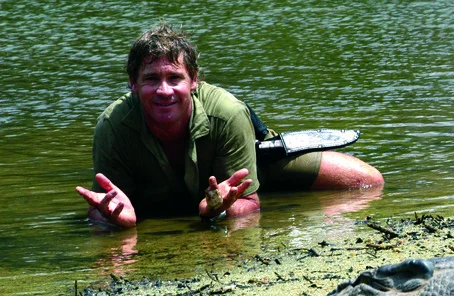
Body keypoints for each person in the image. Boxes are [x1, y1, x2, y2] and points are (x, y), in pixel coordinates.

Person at [76, 22, 383, 229]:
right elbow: (105, 205)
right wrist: (114, 222)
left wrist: (220, 210)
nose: (164, 91)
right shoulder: (113, 126)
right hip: (175, 193)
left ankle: (271, 180)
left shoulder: (228, 113)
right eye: (151, 79)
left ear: (194, 81)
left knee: (367, 181)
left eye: (175, 78)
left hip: (250, 166)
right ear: (133, 84)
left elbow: (248, 203)